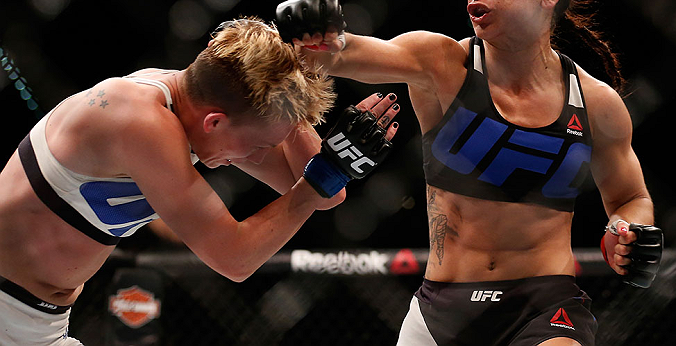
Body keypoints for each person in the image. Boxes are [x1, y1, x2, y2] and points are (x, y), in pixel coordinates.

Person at [275, 0, 663, 346]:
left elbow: (630, 197)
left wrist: (628, 231)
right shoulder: (442, 64)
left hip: (544, 308)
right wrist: (319, 34)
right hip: (439, 311)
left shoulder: (595, 103)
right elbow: (346, 54)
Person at [0, 17, 400, 345]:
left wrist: (293, 78)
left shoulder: (194, 112)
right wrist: (324, 177)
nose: (258, 159)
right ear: (215, 122)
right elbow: (236, 257)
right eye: (260, 146)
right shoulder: (139, 121)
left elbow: (320, 192)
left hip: (36, 324)